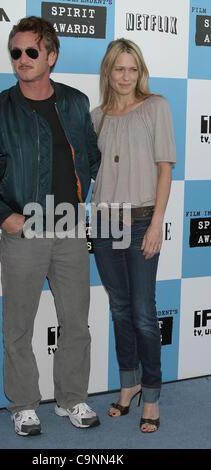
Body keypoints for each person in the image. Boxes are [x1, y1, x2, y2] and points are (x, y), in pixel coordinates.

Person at [0, 16, 101, 436]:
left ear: (51, 56)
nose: (22, 59)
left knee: (76, 321)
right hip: (24, 232)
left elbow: (90, 156)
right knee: (18, 325)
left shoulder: (75, 103)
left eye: (31, 52)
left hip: (70, 227)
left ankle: (72, 398)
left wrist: (80, 201)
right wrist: (6, 217)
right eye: (16, 52)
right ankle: (23, 404)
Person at [90, 38, 176, 433]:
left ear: (140, 72)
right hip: (105, 225)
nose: (125, 76)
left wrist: (157, 222)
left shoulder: (155, 107)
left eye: (132, 69)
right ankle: (129, 385)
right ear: (108, 72)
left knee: (143, 312)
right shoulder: (97, 117)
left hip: (142, 221)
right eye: (118, 69)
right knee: (120, 309)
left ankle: (153, 395)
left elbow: (164, 168)